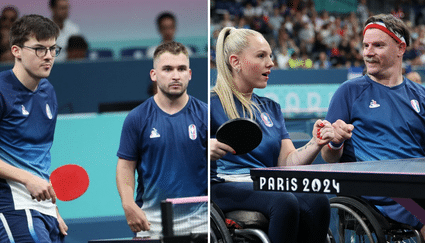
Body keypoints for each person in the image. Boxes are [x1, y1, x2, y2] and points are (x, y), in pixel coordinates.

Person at [210, 27, 334, 243]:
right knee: (284, 202)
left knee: (318, 200)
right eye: (261, 56)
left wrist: (315, 143)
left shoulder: (271, 108)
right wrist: (204, 147)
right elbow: (181, 154)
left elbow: (287, 163)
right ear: (235, 62)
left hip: (264, 184)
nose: (271, 63)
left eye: (270, 55)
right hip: (222, 185)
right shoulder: (209, 105)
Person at [321, 13, 425, 239]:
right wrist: (336, 141)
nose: (368, 52)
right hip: (383, 193)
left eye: (378, 45)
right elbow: (328, 156)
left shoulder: (421, 96)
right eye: (366, 45)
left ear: (400, 48)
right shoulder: (348, 92)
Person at [116, 41, 207, 238]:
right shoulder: (137, 118)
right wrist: (128, 203)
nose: (175, 75)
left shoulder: (205, 115)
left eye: (181, 69)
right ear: (154, 75)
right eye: (167, 69)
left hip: (200, 223)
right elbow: (125, 166)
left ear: (189, 74)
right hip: (151, 224)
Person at [0, 14, 67, 242]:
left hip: (42, 209)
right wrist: (27, 179)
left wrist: (52, 208)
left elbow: (38, 157)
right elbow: (28, 173)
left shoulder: (48, 91)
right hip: (10, 206)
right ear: (16, 50)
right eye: (39, 49)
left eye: (53, 49)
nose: (48, 57)